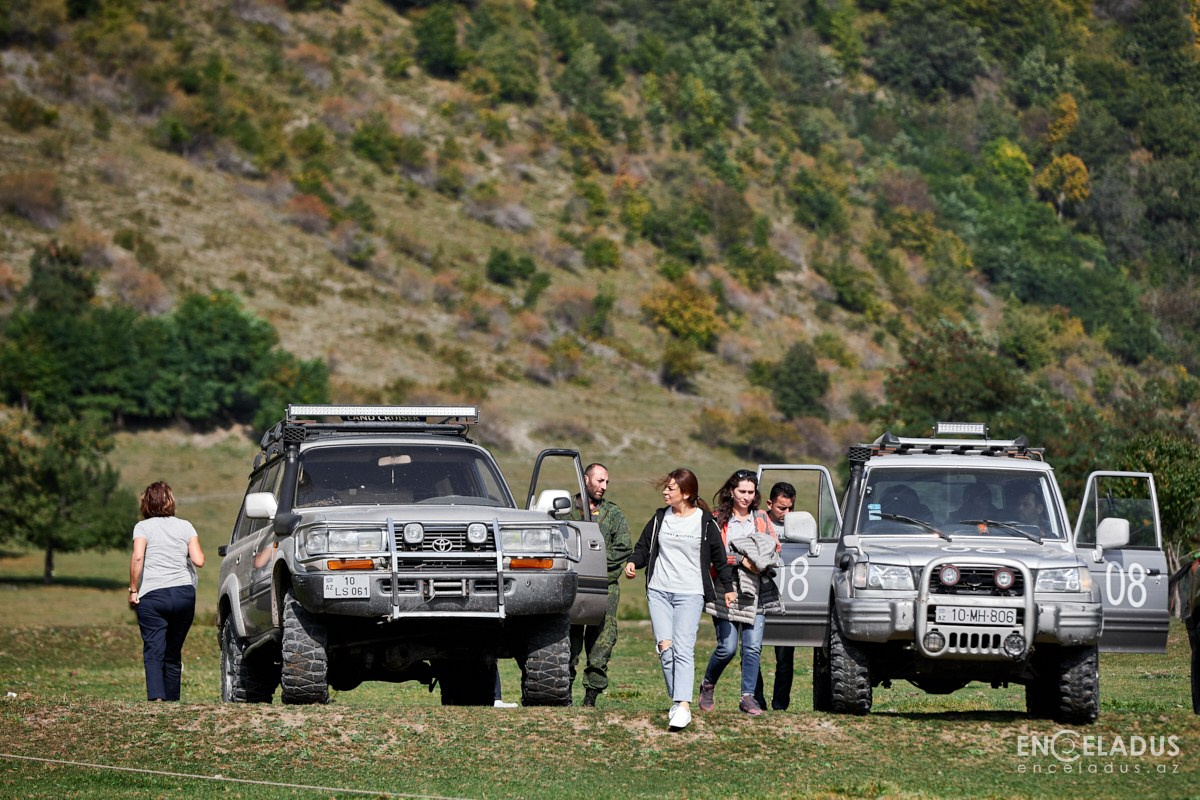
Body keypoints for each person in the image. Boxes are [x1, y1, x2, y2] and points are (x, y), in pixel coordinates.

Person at [624, 468, 735, 732]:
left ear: (686, 493)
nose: (665, 491)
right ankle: (678, 699)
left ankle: (683, 706)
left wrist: (728, 587)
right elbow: (643, 547)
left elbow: (719, 557)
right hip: (659, 590)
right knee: (665, 648)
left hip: (690, 592)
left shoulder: (705, 521)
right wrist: (632, 562)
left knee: (683, 649)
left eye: (671, 488)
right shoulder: (660, 517)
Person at [698, 469, 782, 718]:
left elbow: (775, 547)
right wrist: (740, 559)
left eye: (750, 492)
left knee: (753, 647)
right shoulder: (717, 519)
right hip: (725, 587)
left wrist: (760, 560)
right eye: (741, 491)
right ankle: (708, 683)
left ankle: (748, 697)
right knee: (728, 647)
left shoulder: (762, 519)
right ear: (731, 491)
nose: (746, 497)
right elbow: (711, 553)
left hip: (756, 588)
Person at [128, 481, 205, 701]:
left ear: (147, 503)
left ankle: (156, 699)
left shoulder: (142, 527)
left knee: (154, 649)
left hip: (153, 596)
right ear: (170, 501)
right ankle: (173, 701)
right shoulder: (186, 526)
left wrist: (133, 589)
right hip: (183, 595)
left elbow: (138, 557)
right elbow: (199, 560)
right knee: (173, 652)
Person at [570, 463, 633, 707]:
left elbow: (623, 547)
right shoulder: (566, 510)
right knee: (567, 641)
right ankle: (562, 691)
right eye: (599, 481)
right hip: (571, 587)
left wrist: (595, 562)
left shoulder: (613, 514)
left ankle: (591, 696)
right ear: (585, 479)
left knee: (602, 641)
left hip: (605, 587)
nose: (604, 487)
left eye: (606, 482)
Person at [753, 481, 796, 711]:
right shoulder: (757, 523)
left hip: (787, 597)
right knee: (753, 651)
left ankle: (780, 704)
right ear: (769, 504)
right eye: (781, 508)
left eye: (790, 508)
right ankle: (756, 699)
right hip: (759, 596)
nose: (786, 513)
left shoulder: (797, 528)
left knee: (785, 657)